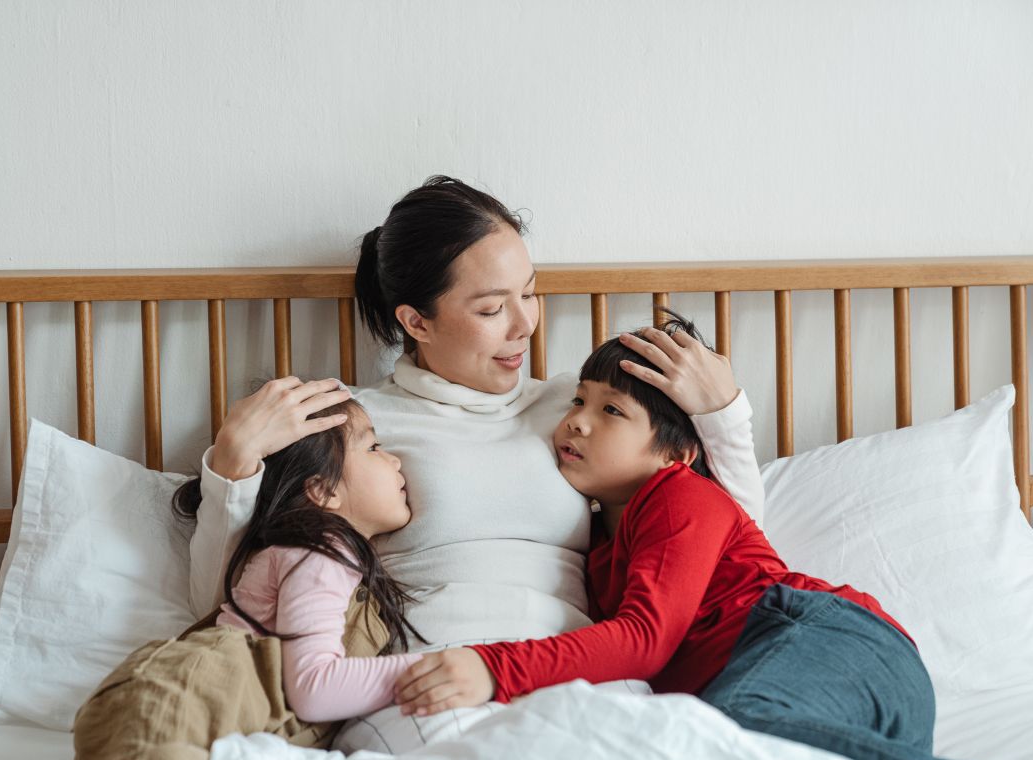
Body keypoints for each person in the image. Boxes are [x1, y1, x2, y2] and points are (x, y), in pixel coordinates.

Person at [392, 315, 1033, 760]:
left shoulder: (680, 498)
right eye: (579, 401)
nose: (578, 423)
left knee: (725, 731)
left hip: (820, 639)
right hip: (838, 713)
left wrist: (494, 667)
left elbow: (645, 640)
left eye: (612, 410)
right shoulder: (596, 548)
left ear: (676, 453)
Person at [189, 177, 764, 690]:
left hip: (572, 673)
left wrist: (724, 416)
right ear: (416, 321)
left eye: (530, 294)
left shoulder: (584, 411)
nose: (525, 326)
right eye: (492, 309)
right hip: (426, 674)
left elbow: (716, 537)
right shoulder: (354, 425)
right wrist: (233, 468)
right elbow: (234, 603)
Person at [30, 399, 425, 760]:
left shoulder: (339, 566)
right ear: (322, 489)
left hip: (189, 716)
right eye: (374, 448)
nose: (395, 462)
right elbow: (313, 686)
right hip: (185, 701)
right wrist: (432, 670)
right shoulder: (320, 553)